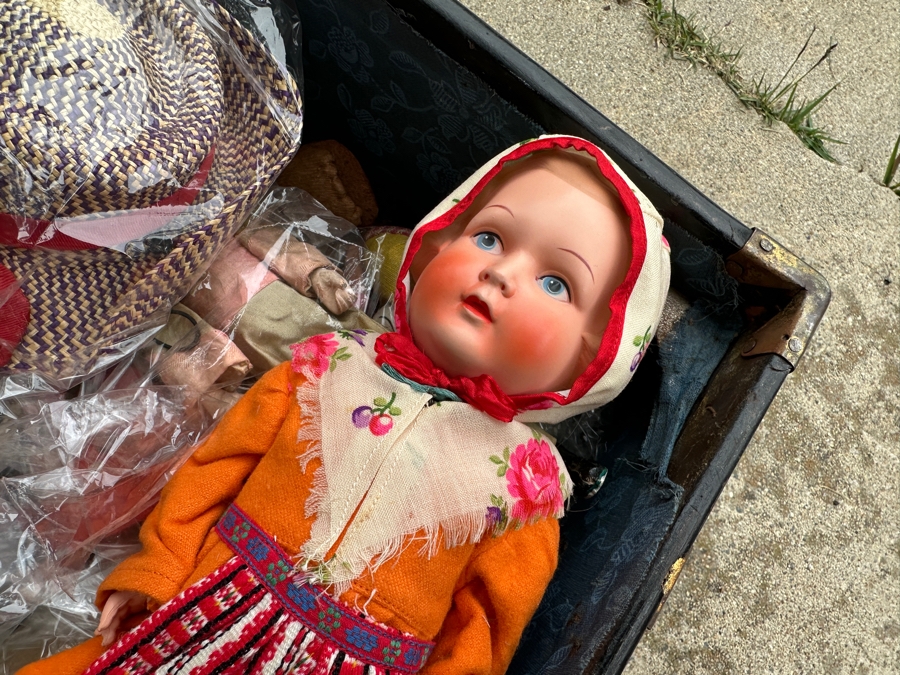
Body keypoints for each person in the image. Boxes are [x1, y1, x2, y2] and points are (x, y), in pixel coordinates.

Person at [17, 135, 670, 675]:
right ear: (438, 238)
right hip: (205, 613)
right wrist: (157, 567)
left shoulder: (525, 487)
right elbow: (215, 469)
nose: (502, 273)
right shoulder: (330, 364)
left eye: (555, 281)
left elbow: (483, 630)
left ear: (595, 353)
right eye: (490, 237)